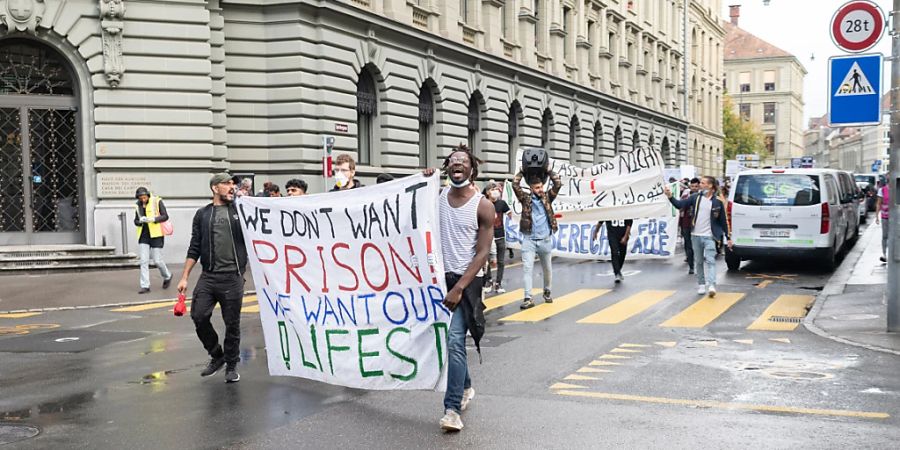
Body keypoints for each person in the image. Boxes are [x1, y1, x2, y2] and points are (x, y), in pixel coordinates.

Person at [423, 144, 493, 432]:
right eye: (452, 161)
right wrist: (422, 180)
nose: (457, 164)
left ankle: (451, 410)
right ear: (447, 167)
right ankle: (465, 386)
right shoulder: (436, 197)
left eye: (463, 161)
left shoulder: (483, 205)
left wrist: (460, 287)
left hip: (468, 283)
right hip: (441, 279)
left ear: (472, 169)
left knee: (454, 341)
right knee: (445, 342)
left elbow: (483, 252)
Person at [177, 173, 248, 383]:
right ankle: (217, 355)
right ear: (215, 188)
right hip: (208, 277)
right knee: (198, 316)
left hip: (233, 277)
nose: (231, 187)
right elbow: (194, 247)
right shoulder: (203, 214)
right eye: (226, 184)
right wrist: (184, 277)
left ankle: (232, 366)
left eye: (233, 184)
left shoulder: (240, 211)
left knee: (232, 324)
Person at [664, 176, 733, 297]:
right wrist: (670, 196)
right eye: (700, 183)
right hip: (695, 235)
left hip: (710, 236)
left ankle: (711, 285)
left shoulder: (717, 202)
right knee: (699, 262)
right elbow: (679, 205)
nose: (700, 185)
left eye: (703, 183)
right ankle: (701, 284)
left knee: (711, 260)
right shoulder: (695, 198)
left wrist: (728, 238)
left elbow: (723, 221)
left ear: (710, 186)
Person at [511, 157, 562, 309]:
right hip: (529, 240)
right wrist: (521, 171)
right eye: (537, 188)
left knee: (547, 270)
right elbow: (515, 185)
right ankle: (528, 298)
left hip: (545, 240)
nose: (540, 190)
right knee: (527, 269)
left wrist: (547, 170)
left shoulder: (548, 197)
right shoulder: (526, 199)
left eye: (541, 187)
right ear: (532, 189)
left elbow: (557, 183)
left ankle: (547, 291)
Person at [133, 187, 172, 294]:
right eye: (141, 198)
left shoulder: (157, 201)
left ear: (148, 196)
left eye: (144, 197)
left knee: (157, 260)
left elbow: (165, 216)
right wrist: (140, 221)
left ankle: (167, 275)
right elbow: (135, 221)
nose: (143, 199)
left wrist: (153, 219)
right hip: (143, 236)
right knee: (143, 261)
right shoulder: (137, 205)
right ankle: (145, 286)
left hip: (156, 235)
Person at [484, 181, 511, 293]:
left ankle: (498, 284)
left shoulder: (502, 203)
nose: (495, 191)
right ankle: (488, 281)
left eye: (496, 189)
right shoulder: (484, 204)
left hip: (500, 236)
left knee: (500, 261)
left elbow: (511, 214)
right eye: (492, 189)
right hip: (487, 237)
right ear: (487, 192)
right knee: (486, 261)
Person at [679, 178, 701, 274]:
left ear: (699, 186)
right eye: (692, 186)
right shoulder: (685, 196)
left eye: (696, 186)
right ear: (690, 186)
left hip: (698, 225)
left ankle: (698, 264)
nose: (694, 188)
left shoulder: (702, 197)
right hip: (686, 223)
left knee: (697, 245)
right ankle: (691, 266)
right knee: (688, 245)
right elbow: (679, 207)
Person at [876, 180, 890, 263]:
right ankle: (884, 254)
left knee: (895, 235)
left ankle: (892, 253)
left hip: (896, 217)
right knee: (885, 235)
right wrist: (877, 216)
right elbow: (878, 203)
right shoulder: (882, 190)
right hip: (885, 216)